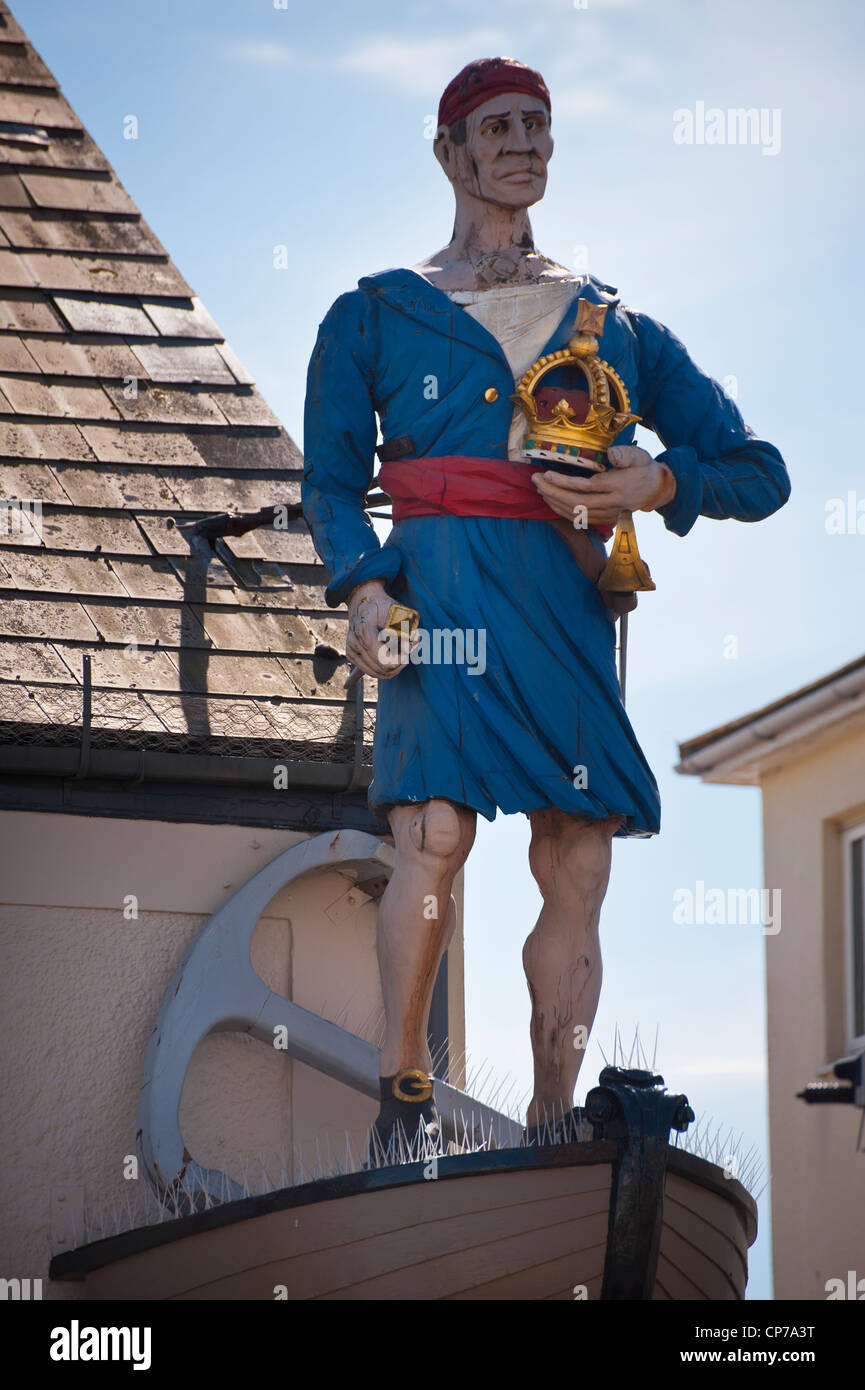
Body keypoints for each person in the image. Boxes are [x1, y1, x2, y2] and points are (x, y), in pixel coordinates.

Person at [302, 57, 790, 1149]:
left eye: (538, 124)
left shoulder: (615, 325)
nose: (522, 141)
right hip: (440, 595)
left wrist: (655, 482)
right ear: (450, 151)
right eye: (497, 126)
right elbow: (330, 483)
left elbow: (758, 470)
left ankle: (553, 1113)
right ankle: (403, 1093)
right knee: (433, 829)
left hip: (565, 604)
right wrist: (366, 586)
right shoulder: (375, 313)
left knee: (580, 844)